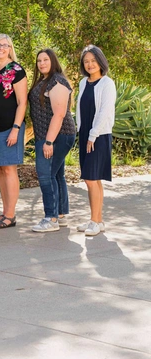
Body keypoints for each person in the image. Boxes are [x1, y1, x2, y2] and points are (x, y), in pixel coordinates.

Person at [28, 49, 77, 233]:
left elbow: (59, 114)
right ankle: (61, 215)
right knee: (56, 175)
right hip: (48, 136)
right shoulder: (44, 81)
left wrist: (48, 142)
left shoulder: (57, 81)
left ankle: (51, 218)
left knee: (45, 175)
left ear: (53, 60)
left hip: (56, 136)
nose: (41, 63)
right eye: (39, 60)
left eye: (45, 59)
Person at [0, 34, 27, 228]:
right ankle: (4, 212)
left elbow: (22, 102)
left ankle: (10, 215)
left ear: (10, 49)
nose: (1, 48)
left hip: (11, 128)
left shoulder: (17, 70)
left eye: (5, 45)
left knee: (10, 169)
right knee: (1, 169)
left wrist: (16, 129)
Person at [75, 45, 116, 236]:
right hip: (85, 134)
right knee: (91, 179)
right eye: (86, 61)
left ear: (100, 61)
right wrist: (81, 132)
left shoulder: (107, 83)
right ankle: (97, 221)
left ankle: (95, 220)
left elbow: (104, 112)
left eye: (93, 60)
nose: (90, 64)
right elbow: (81, 109)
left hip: (98, 135)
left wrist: (92, 135)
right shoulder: (84, 83)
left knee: (92, 179)